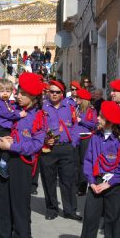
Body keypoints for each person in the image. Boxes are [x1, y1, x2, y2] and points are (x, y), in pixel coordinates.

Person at [0, 72, 47, 238]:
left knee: (20, 210)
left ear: (33, 97)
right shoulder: (9, 109)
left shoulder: (39, 117)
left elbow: (36, 145)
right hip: (2, 162)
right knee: (1, 208)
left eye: (23, 94)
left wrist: (11, 147)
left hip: (21, 165)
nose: (18, 96)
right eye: (19, 92)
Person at [68, 101, 120, 238]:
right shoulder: (95, 137)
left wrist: (108, 184)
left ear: (111, 121)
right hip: (95, 183)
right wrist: (91, 182)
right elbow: (88, 161)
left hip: (114, 185)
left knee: (113, 220)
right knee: (90, 219)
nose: (97, 118)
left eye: (101, 116)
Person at [40, 80, 81, 221]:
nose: (54, 94)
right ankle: (51, 209)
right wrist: (44, 139)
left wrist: (74, 143)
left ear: (62, 94)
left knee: (68, 180)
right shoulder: (42, 107)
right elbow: (38, 127)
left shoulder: (69, 107)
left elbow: (75, 126)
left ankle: (70, 210)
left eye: (57, 92)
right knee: (48, 180)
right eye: (51, 91)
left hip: (66, 148)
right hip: (48, 149)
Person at [0, 79, 25, 183]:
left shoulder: (7, 103)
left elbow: (10, 111)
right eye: (2, 91)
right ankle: (2, 165)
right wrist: (19, 114)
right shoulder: (0, 103)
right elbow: (7, 114)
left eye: (8, 91)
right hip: (0, 128)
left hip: (2, 128)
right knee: (8, 147)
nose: (5, 93)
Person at [73, 88, 97, 196]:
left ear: (83, 99)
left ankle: (82, 187)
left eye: (78, 97)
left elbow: (94, 124)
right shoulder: (76, 108)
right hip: (76, 138)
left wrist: (81, 121)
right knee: (76, 163)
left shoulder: (91, 110)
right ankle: (76, 185)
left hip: (86, 138)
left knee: (83, 163)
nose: (76, 98)